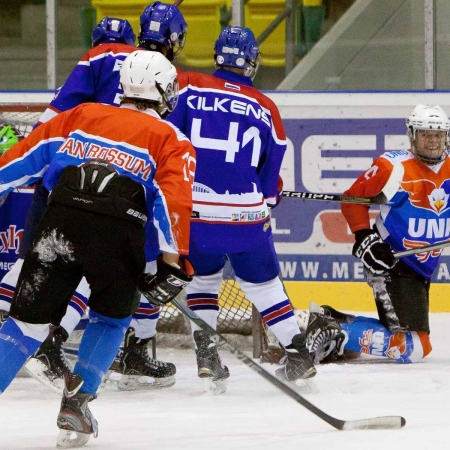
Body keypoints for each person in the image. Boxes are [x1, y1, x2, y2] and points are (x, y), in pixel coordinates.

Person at [0, 50, 195, 447]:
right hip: (118, 236)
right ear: (161, 90)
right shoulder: (171, 138)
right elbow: (173, 200)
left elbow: (19, 163)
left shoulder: (80, 115)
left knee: (25, 324)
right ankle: (77, 403)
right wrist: (172, 264)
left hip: (59, 224)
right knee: (109, 319)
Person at [164, 26, 345, 392]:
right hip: (243, 211)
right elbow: (269, 180)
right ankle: (297, 354)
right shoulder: (266, 106)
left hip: (194, 209)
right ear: (252, 62)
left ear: (217, 56)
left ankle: (207, 355)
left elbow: (168, 142)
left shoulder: (187, 86)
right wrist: (269, 193)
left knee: (202, 278)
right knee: (263, 285)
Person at [314, 103, 450, 364]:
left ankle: (333, 324)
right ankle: (329, 330)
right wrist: (365, 238)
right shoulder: (393, 167)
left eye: (438, 134)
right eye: (425, 134)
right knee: (414, 347)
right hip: (391, 262)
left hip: (421, 265)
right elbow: (353, 200)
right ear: (412, 135)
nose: (432, 141)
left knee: (411, 336)